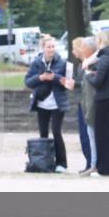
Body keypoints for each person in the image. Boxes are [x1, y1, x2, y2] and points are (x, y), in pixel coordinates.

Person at [24, 35, 68, 173]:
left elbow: (69, 82)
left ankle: (62, 164)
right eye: (48, 47)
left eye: (53, 47)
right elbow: (28, 81)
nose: (51, 49)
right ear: (43, 48)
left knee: (56, 132)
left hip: (57, 103)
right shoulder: (36, 63)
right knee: (43, 133)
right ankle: (44, 162)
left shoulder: (62, 62)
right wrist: (41, 77)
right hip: (42, 103)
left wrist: (55, 77)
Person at [84, 31, 109, 176]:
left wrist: (88, 75)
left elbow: (98, 82)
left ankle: (104, 169)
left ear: (100, 40)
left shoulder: (105, 58)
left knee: (103, 135)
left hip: (103, 99)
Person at [66, 36, 98, 176]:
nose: (73, 52)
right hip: (81, 102)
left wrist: (76, 84)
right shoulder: (80, 65)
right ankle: (89, 163)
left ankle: (92, 163)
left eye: (74, 48)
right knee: (83, 135)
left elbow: (87, 83)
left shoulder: (89, 64)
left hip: (88, 103)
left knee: (88, 134)